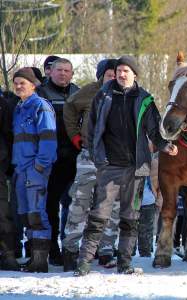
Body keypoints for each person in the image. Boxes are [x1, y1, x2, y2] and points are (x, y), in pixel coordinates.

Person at [75, 55, 178, 276]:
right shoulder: (102, 96)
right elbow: (91, 129)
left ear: (135, 75)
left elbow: (154, 130)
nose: (122, 74)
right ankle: (83, 263)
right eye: (119, 70)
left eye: (126, 71)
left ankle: (124, 262)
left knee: (130, 218)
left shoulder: (145, 100)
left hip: (136, 168)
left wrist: (165, 146)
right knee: (98, 216)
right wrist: (96, 156)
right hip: (109, 166)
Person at [61, 59, 119, 271]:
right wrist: (75, 136)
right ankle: (70, 249)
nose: (114, 78)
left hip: (115, 159)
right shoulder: (89, 92)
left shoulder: (125, 94)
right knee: (80, 202)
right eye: (110, 75)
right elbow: (69, 107)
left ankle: (105, 250)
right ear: (102, 76)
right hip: (90, 156)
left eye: (117, 74)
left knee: (111, 205)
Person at [12, 68, 57, 272]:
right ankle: (32, 257)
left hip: (35, 169)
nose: (19, 86)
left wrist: (39, 166)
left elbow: (48, 140)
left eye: (23, 82)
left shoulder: (41, 106)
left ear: (33, 85)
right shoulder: (19, 108)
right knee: (26, 215)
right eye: (16, 82)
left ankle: (40, 262)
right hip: (21, 169)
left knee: (37, 214)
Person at [37, 57, 80, 266]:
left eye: (67, 70)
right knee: (50, 206)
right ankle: (52, 249)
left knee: (77, 206)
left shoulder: (78, 92)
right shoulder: (41, 94)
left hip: (76, 156)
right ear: (50, 72)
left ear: (72, 74)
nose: (63, 74)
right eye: (59, 70)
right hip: (52, 160)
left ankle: (72, 249)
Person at [0, 94, 20, 271]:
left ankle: (8, 255)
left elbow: (9, 134)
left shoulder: (4, 104)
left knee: (3, 213)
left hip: (1, 164)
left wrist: (8, 164)